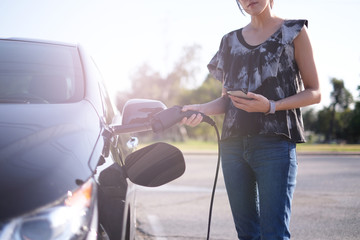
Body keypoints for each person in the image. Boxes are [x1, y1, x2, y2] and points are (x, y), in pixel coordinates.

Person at [181, 0, 321, 239]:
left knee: (273, 234)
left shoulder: (294, 31)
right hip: (232, 147)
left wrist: (271, 106)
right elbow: (227, 100)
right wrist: (199, 108)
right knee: (246, 234)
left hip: (275, 145)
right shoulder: (229, 41)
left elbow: (315, 92)